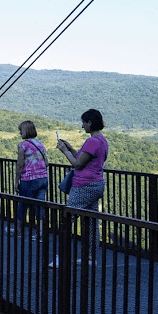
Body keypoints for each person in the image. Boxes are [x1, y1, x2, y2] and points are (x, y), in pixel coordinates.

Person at [54, 109, 109, 266]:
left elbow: (78, 164)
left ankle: (61, 258)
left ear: (90, 122)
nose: (82, 126)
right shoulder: (102, 140)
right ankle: (90, 257)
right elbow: (85, 159)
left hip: (84, 185)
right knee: (91, 222)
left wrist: (64, 151)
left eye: (84, 122)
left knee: (66, 219)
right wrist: (71, 149)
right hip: (97, 184)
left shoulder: (92, 141)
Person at [13, 120, 48, 237]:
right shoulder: (40, 144)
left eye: (20, 130)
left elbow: (19, 164)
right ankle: (41, 233)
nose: (19, 133)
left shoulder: (22, 145)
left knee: (22, 205)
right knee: (40, 206)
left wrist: (16, 180)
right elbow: (46, 163)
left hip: (29, 179)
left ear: (25, 131)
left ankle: (18, 231)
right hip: (43, 178)